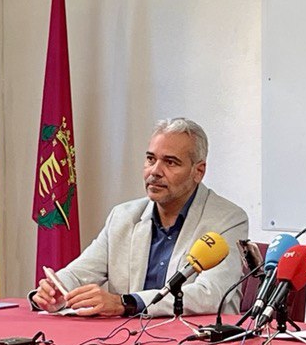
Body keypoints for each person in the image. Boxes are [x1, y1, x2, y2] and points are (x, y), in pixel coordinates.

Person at [31, 118, 248, 318]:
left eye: (170, 162)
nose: (155, 171)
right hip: (128, 339)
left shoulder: (227, 219)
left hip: (195, 340)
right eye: (151, 159)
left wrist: (126, 303)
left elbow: (209, 294)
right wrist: (57, 290)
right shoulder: (123, 216)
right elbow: (80, 273)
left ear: (198, 171)